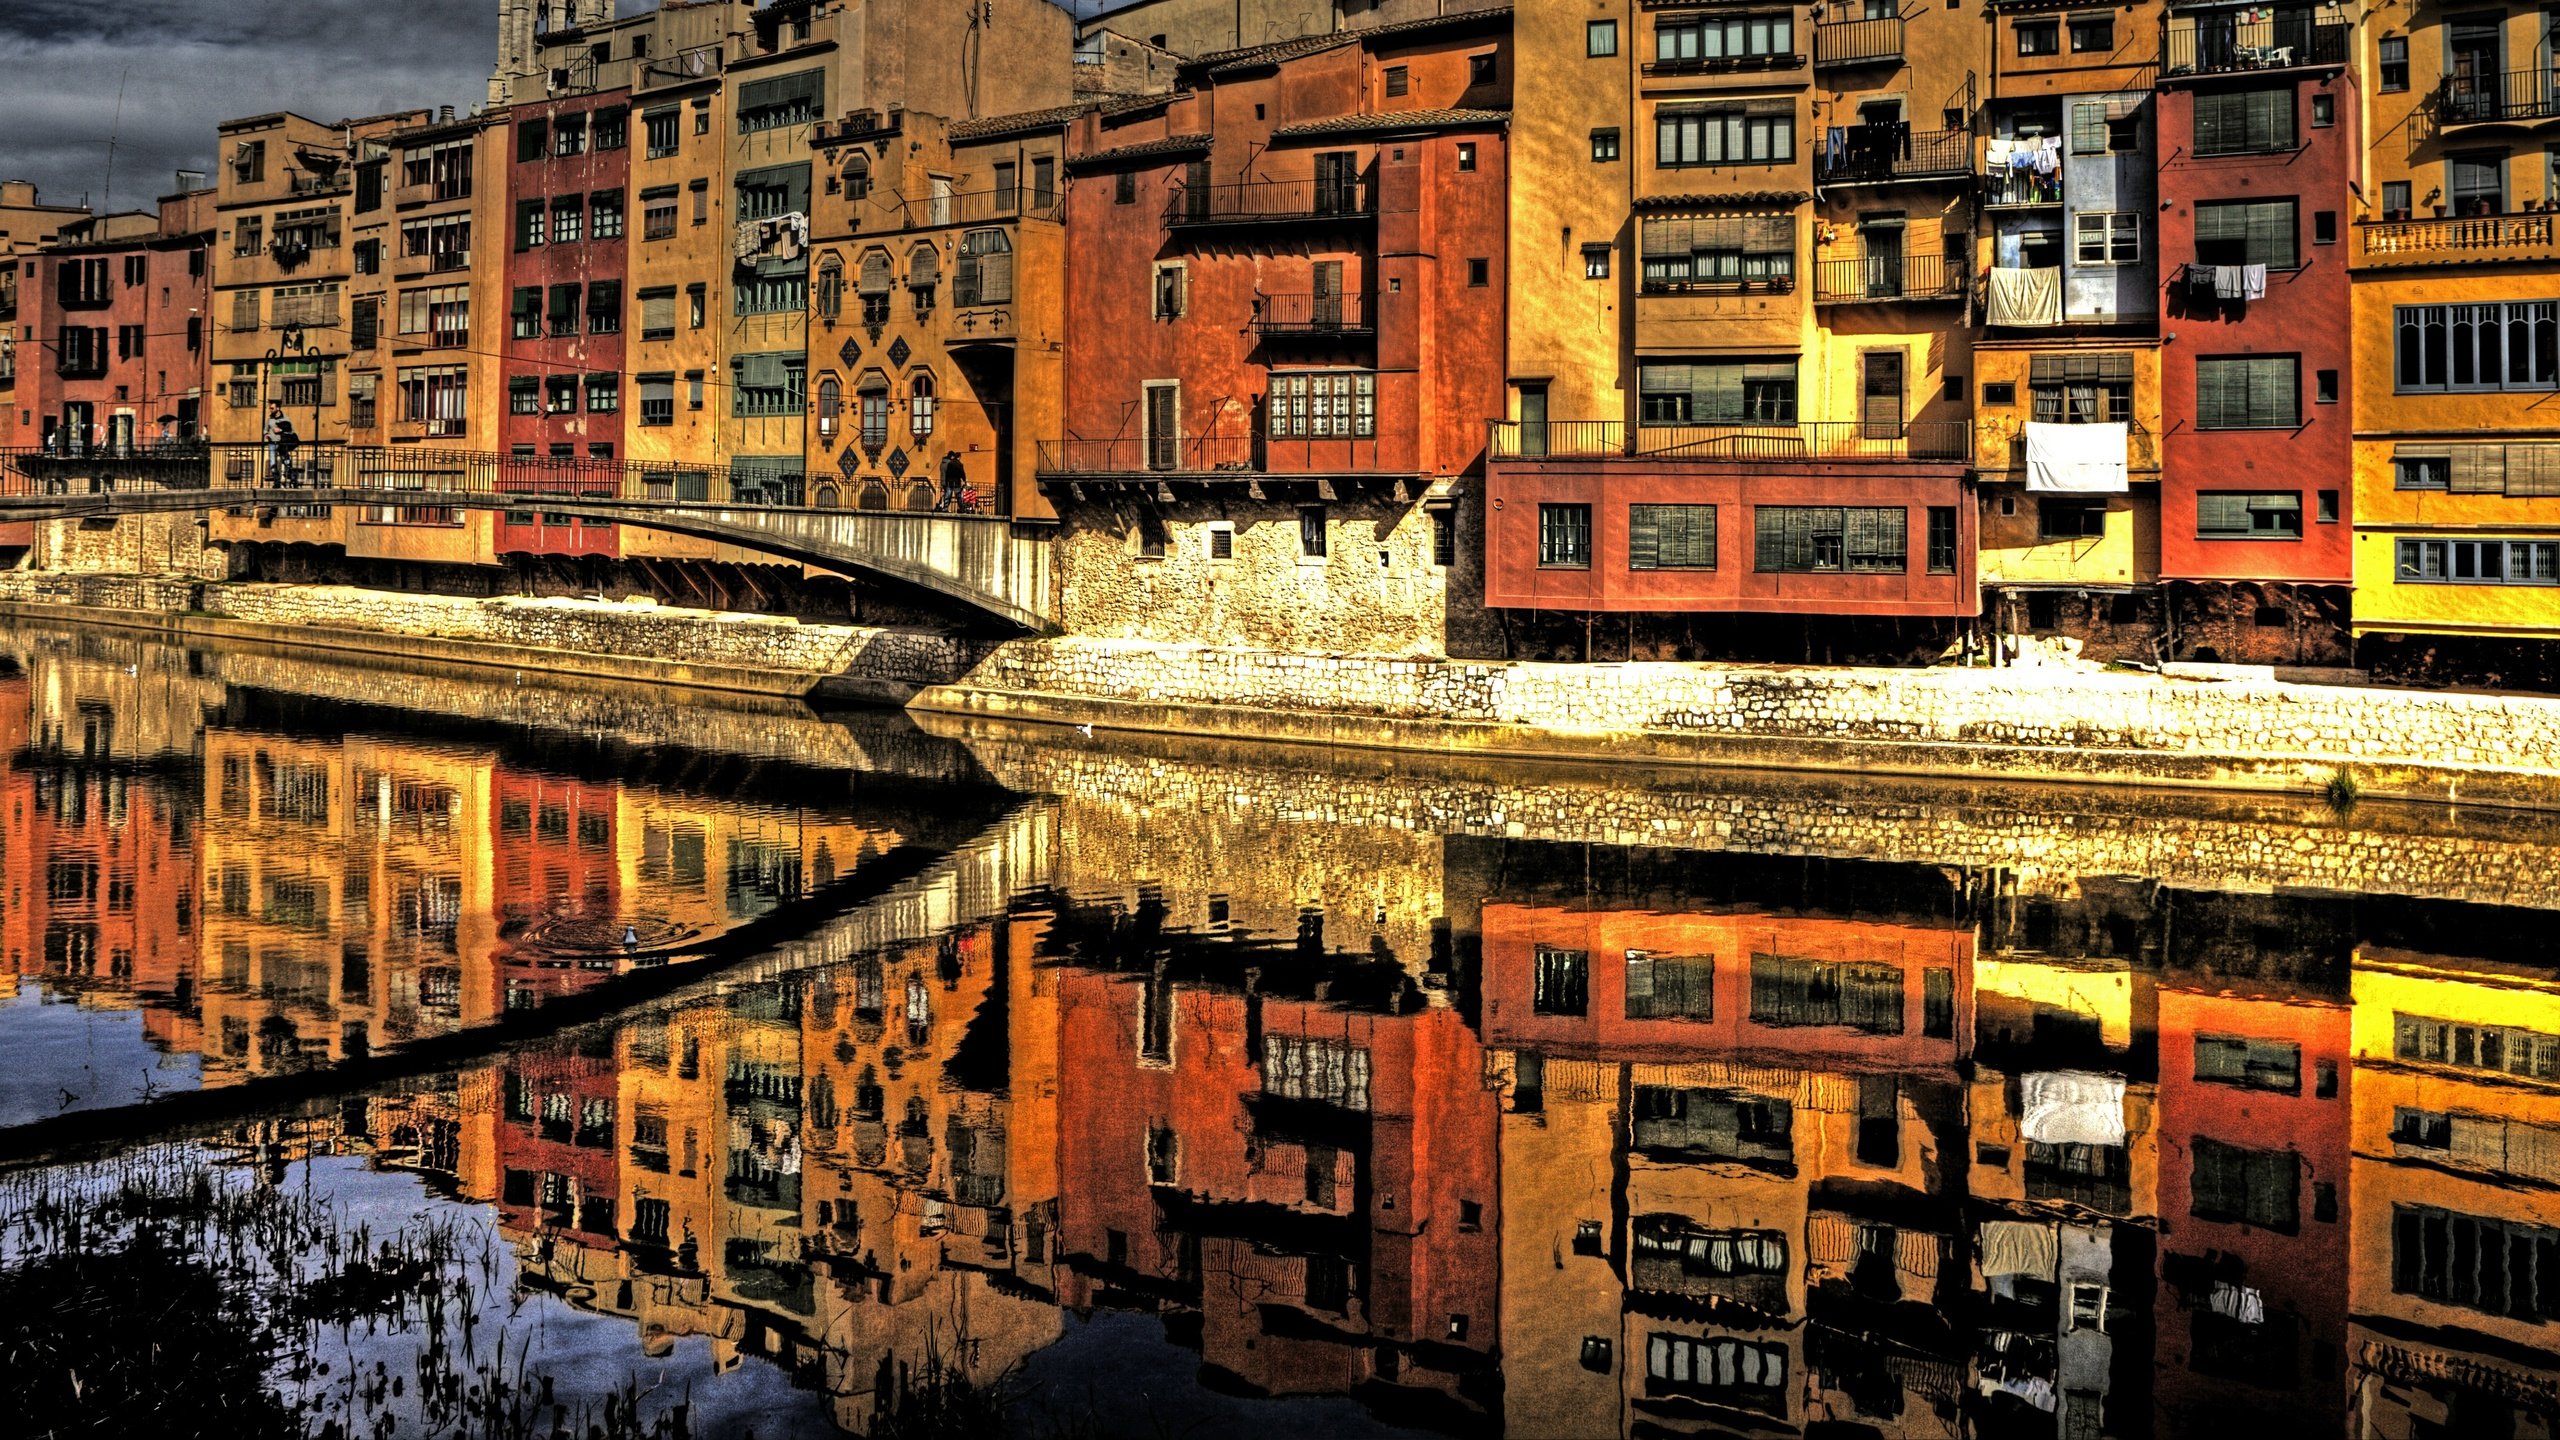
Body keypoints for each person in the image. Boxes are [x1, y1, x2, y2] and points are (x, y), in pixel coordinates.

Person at [263, 402, 288, 484]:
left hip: (282, 443)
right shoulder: (269, 419)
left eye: (272, 408)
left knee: (286, 461)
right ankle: (276, 480)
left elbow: (290, 430)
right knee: (272, 463)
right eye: (270, 408)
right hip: (272, 443)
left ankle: (291, 478)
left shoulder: (284, 419)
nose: (270, 410)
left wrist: (281, 430)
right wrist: (266, 434)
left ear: (278, 408)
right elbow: (265, 429)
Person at [273, 415, 301, 487]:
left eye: (279, 427)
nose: (276, 429)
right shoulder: (291, 435)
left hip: (284, 455)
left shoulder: (284, 436)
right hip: (285, 455)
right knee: (287, 465)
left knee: (286, 465)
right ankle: (292, 478)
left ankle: (290, 478)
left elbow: (281, 446)